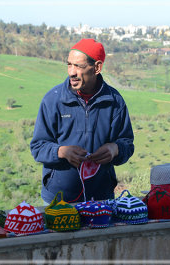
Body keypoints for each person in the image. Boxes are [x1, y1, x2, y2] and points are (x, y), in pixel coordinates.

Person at [30, 38, 134, 204]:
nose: (71, 72)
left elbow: (127, 145)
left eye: (78, 66)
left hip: (102, 199)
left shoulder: (115, 102)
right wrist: (61, 152)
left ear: (97, 67)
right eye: (69, 64)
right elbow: (37, 147)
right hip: (58, 201)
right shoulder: (53, 100)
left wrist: (115, 149)